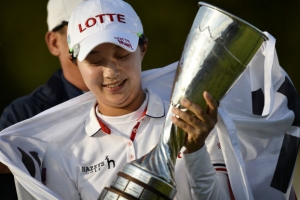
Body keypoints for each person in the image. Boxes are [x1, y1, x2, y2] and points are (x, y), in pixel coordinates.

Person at [42, 0, 232, 199]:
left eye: (122, 55)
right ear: (75, 62)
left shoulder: (193, 123)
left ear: (143, 49)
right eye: (95, 60)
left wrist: (196, 150)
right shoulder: (62, 151)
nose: (110, 72)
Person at [0, 0, 87, 199]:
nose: (96, 39)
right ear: (54, 42)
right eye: (81, 29)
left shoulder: (155, 96)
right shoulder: (23, 115)